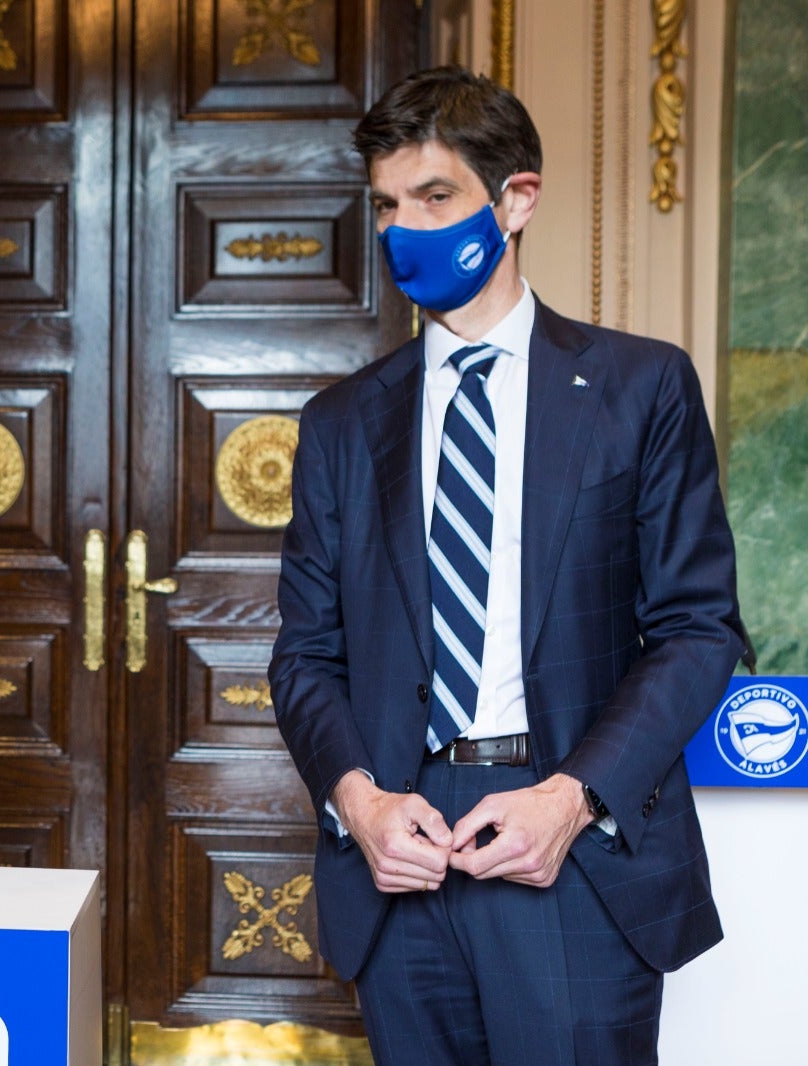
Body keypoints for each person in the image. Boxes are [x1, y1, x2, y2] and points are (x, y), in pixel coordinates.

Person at [269, 67, 745, 1064]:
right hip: (401, 861)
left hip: (568, 851)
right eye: (389, 206)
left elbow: (699, 629)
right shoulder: (342, 425)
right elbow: (304, 654)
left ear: (514, 199)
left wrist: (570, 798)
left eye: (434, 198)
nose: (407, 229)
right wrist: (357, 800)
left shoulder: (639, 387)